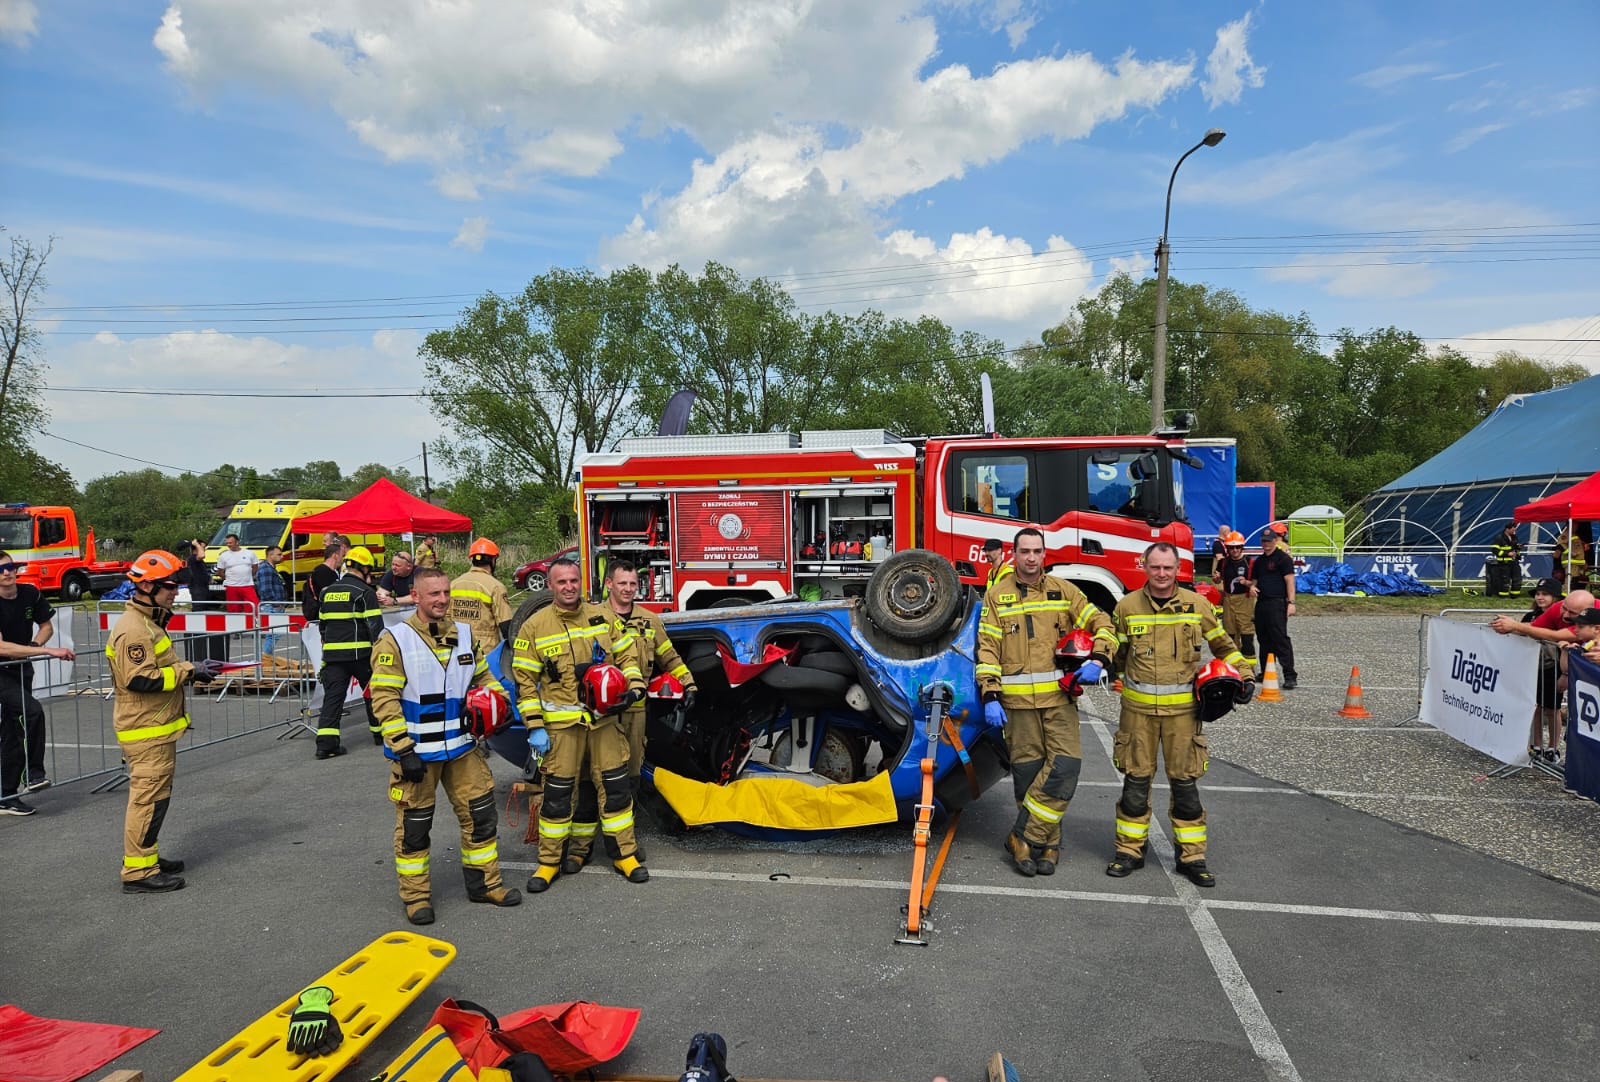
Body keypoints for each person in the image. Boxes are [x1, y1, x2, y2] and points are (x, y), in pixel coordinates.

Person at [368, 567, 521, 924]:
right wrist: (403, 749)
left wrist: (499, 705)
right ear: (415, 596)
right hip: (417, 755)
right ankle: (416, 897)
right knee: (415, 828)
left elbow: (483, 676)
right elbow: (384, 698)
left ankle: (485, 885)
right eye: (433, 594)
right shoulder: (395, 639)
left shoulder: (464, 634)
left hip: (463, 749)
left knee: (481, 817)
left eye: (446, 593)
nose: (442, 600)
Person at [1106, 542, 1252, 887]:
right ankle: (1129, 851)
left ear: (1177, 569)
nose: (1161, 574)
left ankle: (1191, 858)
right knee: (1135, 785)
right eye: (1155, 567)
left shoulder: (1197, 605)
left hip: (1183, 715)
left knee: (1186, 787)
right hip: (1137, 714)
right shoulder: (1126, 607)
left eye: (1167, 568)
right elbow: (1117, 653)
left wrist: (1245, 675)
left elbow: (1223, 645)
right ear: (1145, 566)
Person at [975, 527, 1116, 877]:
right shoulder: (996, 596)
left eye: (1037, 551)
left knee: (1065, 768)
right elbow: (987, 648)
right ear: (1014, 554)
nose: (1031, 558)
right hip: (1017, 705)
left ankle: (1022, 836)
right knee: (1028, 776)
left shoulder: (1064, 591)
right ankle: (1048, 845)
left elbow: (1102, 622)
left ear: (1044, 554)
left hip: (1058, 700)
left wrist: (1100, 658)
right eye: (1025, 551)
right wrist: (990, 693)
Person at [511, 557, 647, 893]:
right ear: (550, 585)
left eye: (574, 580)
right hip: (561, 729)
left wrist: (634, 688)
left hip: (604, 723)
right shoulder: (534, 626)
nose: (569, 587)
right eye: (562, 582)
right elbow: (525, 684)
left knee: (616, 791)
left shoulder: (603, 617)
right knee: (557, 796)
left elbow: (628, 656)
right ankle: (549, 862)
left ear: (581, 582)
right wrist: (534, 727)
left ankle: (625, 855)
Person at [562, 560, 697, 873]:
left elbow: (668, 656)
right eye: (622, 583)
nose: (628, 589)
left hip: (635, 712)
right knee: (589, 778)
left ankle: (626, 843)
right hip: (598, 714)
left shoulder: (649, 620)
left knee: (630, 779)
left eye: (633, 584)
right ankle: (581, 847)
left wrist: (689, 684)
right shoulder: (592, 617)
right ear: (609, 584)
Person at [108, 550, 224, 892]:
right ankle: (138, 872)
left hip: (153, 728)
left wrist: (191, 670)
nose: (176, 592)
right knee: (148, 800)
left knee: (156, 799)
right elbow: (139, 679)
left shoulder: (148, 622)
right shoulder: (134, 629)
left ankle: (147, 857)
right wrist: (189, 670)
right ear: (147, 587)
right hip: (145, 729)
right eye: (170, 586)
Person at [0, 550, 76, 814]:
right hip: (1, 670)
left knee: (12, 730)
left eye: (10, 567)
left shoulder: (29, 593)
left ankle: (6, 794)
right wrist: (47, 651)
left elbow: (47, 626)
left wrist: (34, 645)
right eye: (1, 570)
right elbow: (2, 647)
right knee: (31, 711)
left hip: (21, 668)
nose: (7, 573)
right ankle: (34, 774)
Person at [313, 545, 385, 759]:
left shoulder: (327, 592)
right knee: (374, 693)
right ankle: (380, 734)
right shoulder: (364, 592)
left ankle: (326, 745)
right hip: (361, 655)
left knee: (333, 699)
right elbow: (375, 628)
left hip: (333, 656)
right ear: (365, 568)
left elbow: (323, 626)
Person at [1520, 579, 1563, 764]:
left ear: (1555, 598)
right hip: (1531, 667)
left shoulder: (1562, 619)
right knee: (1535, 707)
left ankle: (1553, 747)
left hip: (1553, 667)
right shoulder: (1530, 617)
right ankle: (1536, 745)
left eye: (1545, 594)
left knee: (1553, 709)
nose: (1540, 597)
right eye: (1538, 594)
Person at [1250, 527, 1297, 689]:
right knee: (1263, 639)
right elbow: (1254, 582)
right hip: (1262, 603)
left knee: (1280, 639)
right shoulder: (1259, 561)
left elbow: (1290, 581)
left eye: (1269, 541)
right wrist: (1251, 587)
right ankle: (1266, 671)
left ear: (1275, 541)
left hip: (1277, 603)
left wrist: (1291, 603)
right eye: (1264, 541)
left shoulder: (1283, 559)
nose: (1266, 544)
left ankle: (1290, 675)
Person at [449, 538, 513, 653]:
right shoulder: (495, 586)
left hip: (458, 647)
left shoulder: (454, 584)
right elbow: (505, 624)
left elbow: (444, 618)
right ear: (493, 560)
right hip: (485, 650)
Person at [1211, 530, 1256, 667]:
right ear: (1227, 548)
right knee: (1230, 634)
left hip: (1245, 600)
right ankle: (1233, 666)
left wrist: (1247, 583)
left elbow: (1256, 583)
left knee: (1246, 633)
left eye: (1238, 547)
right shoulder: (1223, 562)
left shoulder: (1249, 562)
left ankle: (1249, 667)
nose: (1235, 550)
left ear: (1242, 547)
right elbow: (1219, 579)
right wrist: (1217, 579)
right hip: (1228, 599)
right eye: (1231, 547)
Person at [1490, 588, 1594, 646]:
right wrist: (1504, 625)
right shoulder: (1557, 607)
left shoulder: (1595, 616)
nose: (1565, 615)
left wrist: (1515, 625)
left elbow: (1556, 636)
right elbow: (1534, 627)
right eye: (1564, 608)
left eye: (1572, 612)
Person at [182, 539, 228, 663]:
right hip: (197, 589)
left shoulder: (198, 560)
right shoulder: (193, 558)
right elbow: (201, 555)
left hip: (203, 587)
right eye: (203, 547)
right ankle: (197, 632)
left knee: (206, 609)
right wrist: (196, 544)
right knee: (198, 610)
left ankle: (202, 631)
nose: (204, 550)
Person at [254, 545, 289, 656]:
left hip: (272, 605)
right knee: (274, 634)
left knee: (273, 634)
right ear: (270, 555)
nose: (282, 556)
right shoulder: (266, 568)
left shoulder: (270, 568)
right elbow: (266, 589)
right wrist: (276, 603)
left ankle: (266, 657)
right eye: (279, 554)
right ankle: (265, 658)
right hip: (271, 606)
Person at [301, 539, 347, 621]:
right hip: (321, 617)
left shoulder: (333, 572)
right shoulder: (321, 572)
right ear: (335, 556)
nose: (342, 559)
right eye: (341, 556)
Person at [215, 533, 260, 614]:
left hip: (247, 585)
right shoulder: (223, 556)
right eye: (227, 543)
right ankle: (235, 622)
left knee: (254, 608)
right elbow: (220, 571)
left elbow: (255, 567)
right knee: (234, 609)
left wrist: (249, 575)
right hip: (232, 586)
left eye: (230, 543)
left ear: (237, 542)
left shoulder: (249, 553)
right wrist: (228, 578)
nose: (228, 545)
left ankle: (253, 622)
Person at [1486, 522, 1522, 599]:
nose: (1514, 532)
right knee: (1505, 580)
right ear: (1507, 529)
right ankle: (1503, 596)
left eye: (1515, 530)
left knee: (1517, 579)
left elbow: (1516, 548)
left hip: (1514, 562)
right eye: (1512, 530)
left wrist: (1518, 550)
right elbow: (1495, 550)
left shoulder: (1514, 537)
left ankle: (1515, 595)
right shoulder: (1499, 538)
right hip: (1504, 564)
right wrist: (1507, 554)